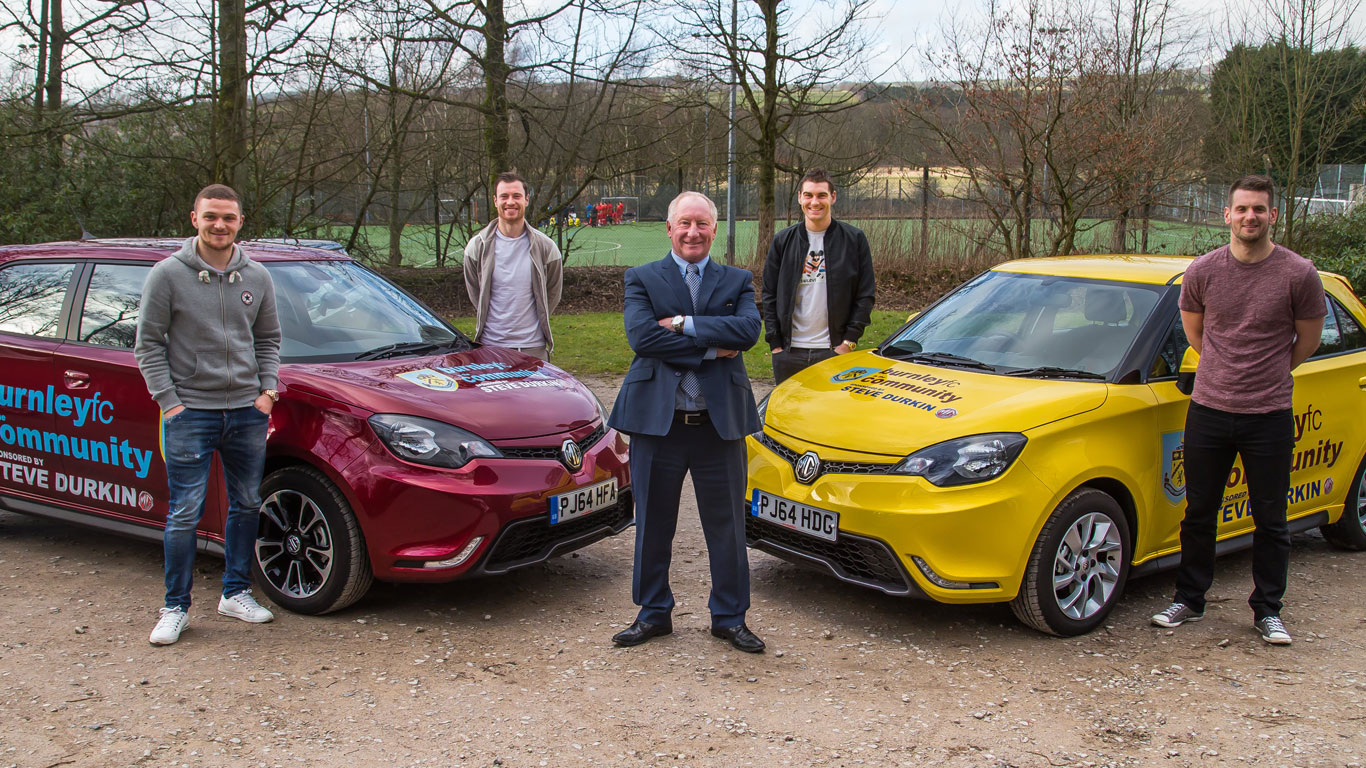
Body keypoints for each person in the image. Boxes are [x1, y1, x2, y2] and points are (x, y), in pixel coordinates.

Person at [1150, 174, 1325, 646]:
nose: (1251, 217)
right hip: (1208, 409)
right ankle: (1189, 599)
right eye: (1242, 209)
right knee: (1199, 511)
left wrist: (1268, 370)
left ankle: (1268, 610)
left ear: (1273, 216)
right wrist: (1227, 371)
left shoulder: (1298, 273)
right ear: (1227, 215)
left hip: (1268, 414)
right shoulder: (1203, 270)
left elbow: (1307, 340)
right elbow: (1196, 335)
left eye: (1260, 210)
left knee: (1271, 518)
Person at [608, 191, 765, 653]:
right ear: (670, 229)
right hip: (659, 424)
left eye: (701, 224)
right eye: (684, 224)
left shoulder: (737, 279)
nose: (692, 232)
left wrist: (679, 324)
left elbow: (749, 331)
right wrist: (713, 346)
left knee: (728, 526)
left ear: (714, 229)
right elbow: (640, 337)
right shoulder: (641, 277)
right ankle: (653, 613)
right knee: (653, 522)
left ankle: (730, 617)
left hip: (719, 425)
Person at [135, 184, 282, 645]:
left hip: (246, 411)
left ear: (241, 221)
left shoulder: (256, 277)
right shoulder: (167, 275)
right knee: (184, 513)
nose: (220, 225)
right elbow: (147, 345)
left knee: (246, 504)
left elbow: (269, 339)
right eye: (211, 216)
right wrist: (170, 403)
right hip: (190, 413)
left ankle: (235, 592)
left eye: (229, 218)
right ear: (194, 218)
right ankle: (175, 606)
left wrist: (267, 391)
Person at [762, 168, 875, 384]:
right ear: (799, 198)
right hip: (788, 354)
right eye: (809, 195)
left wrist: (848, 342)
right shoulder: (783, 241)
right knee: (790, 416)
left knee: (832, 417)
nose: (815, 202)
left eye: (821, 195)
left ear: (833, 197)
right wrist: (775, 344)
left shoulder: (854, 239)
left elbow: (865, 294)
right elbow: (769, 294)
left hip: (833, 353)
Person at [463, 171, 564, 361]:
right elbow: (476, 293)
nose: (510, 202)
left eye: (516, 196)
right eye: (504, 196)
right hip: (491, 348)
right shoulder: (477, 247)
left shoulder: (546, 247)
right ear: (495, 201)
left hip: (534, 349)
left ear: (526, 200)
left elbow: (552, 292)